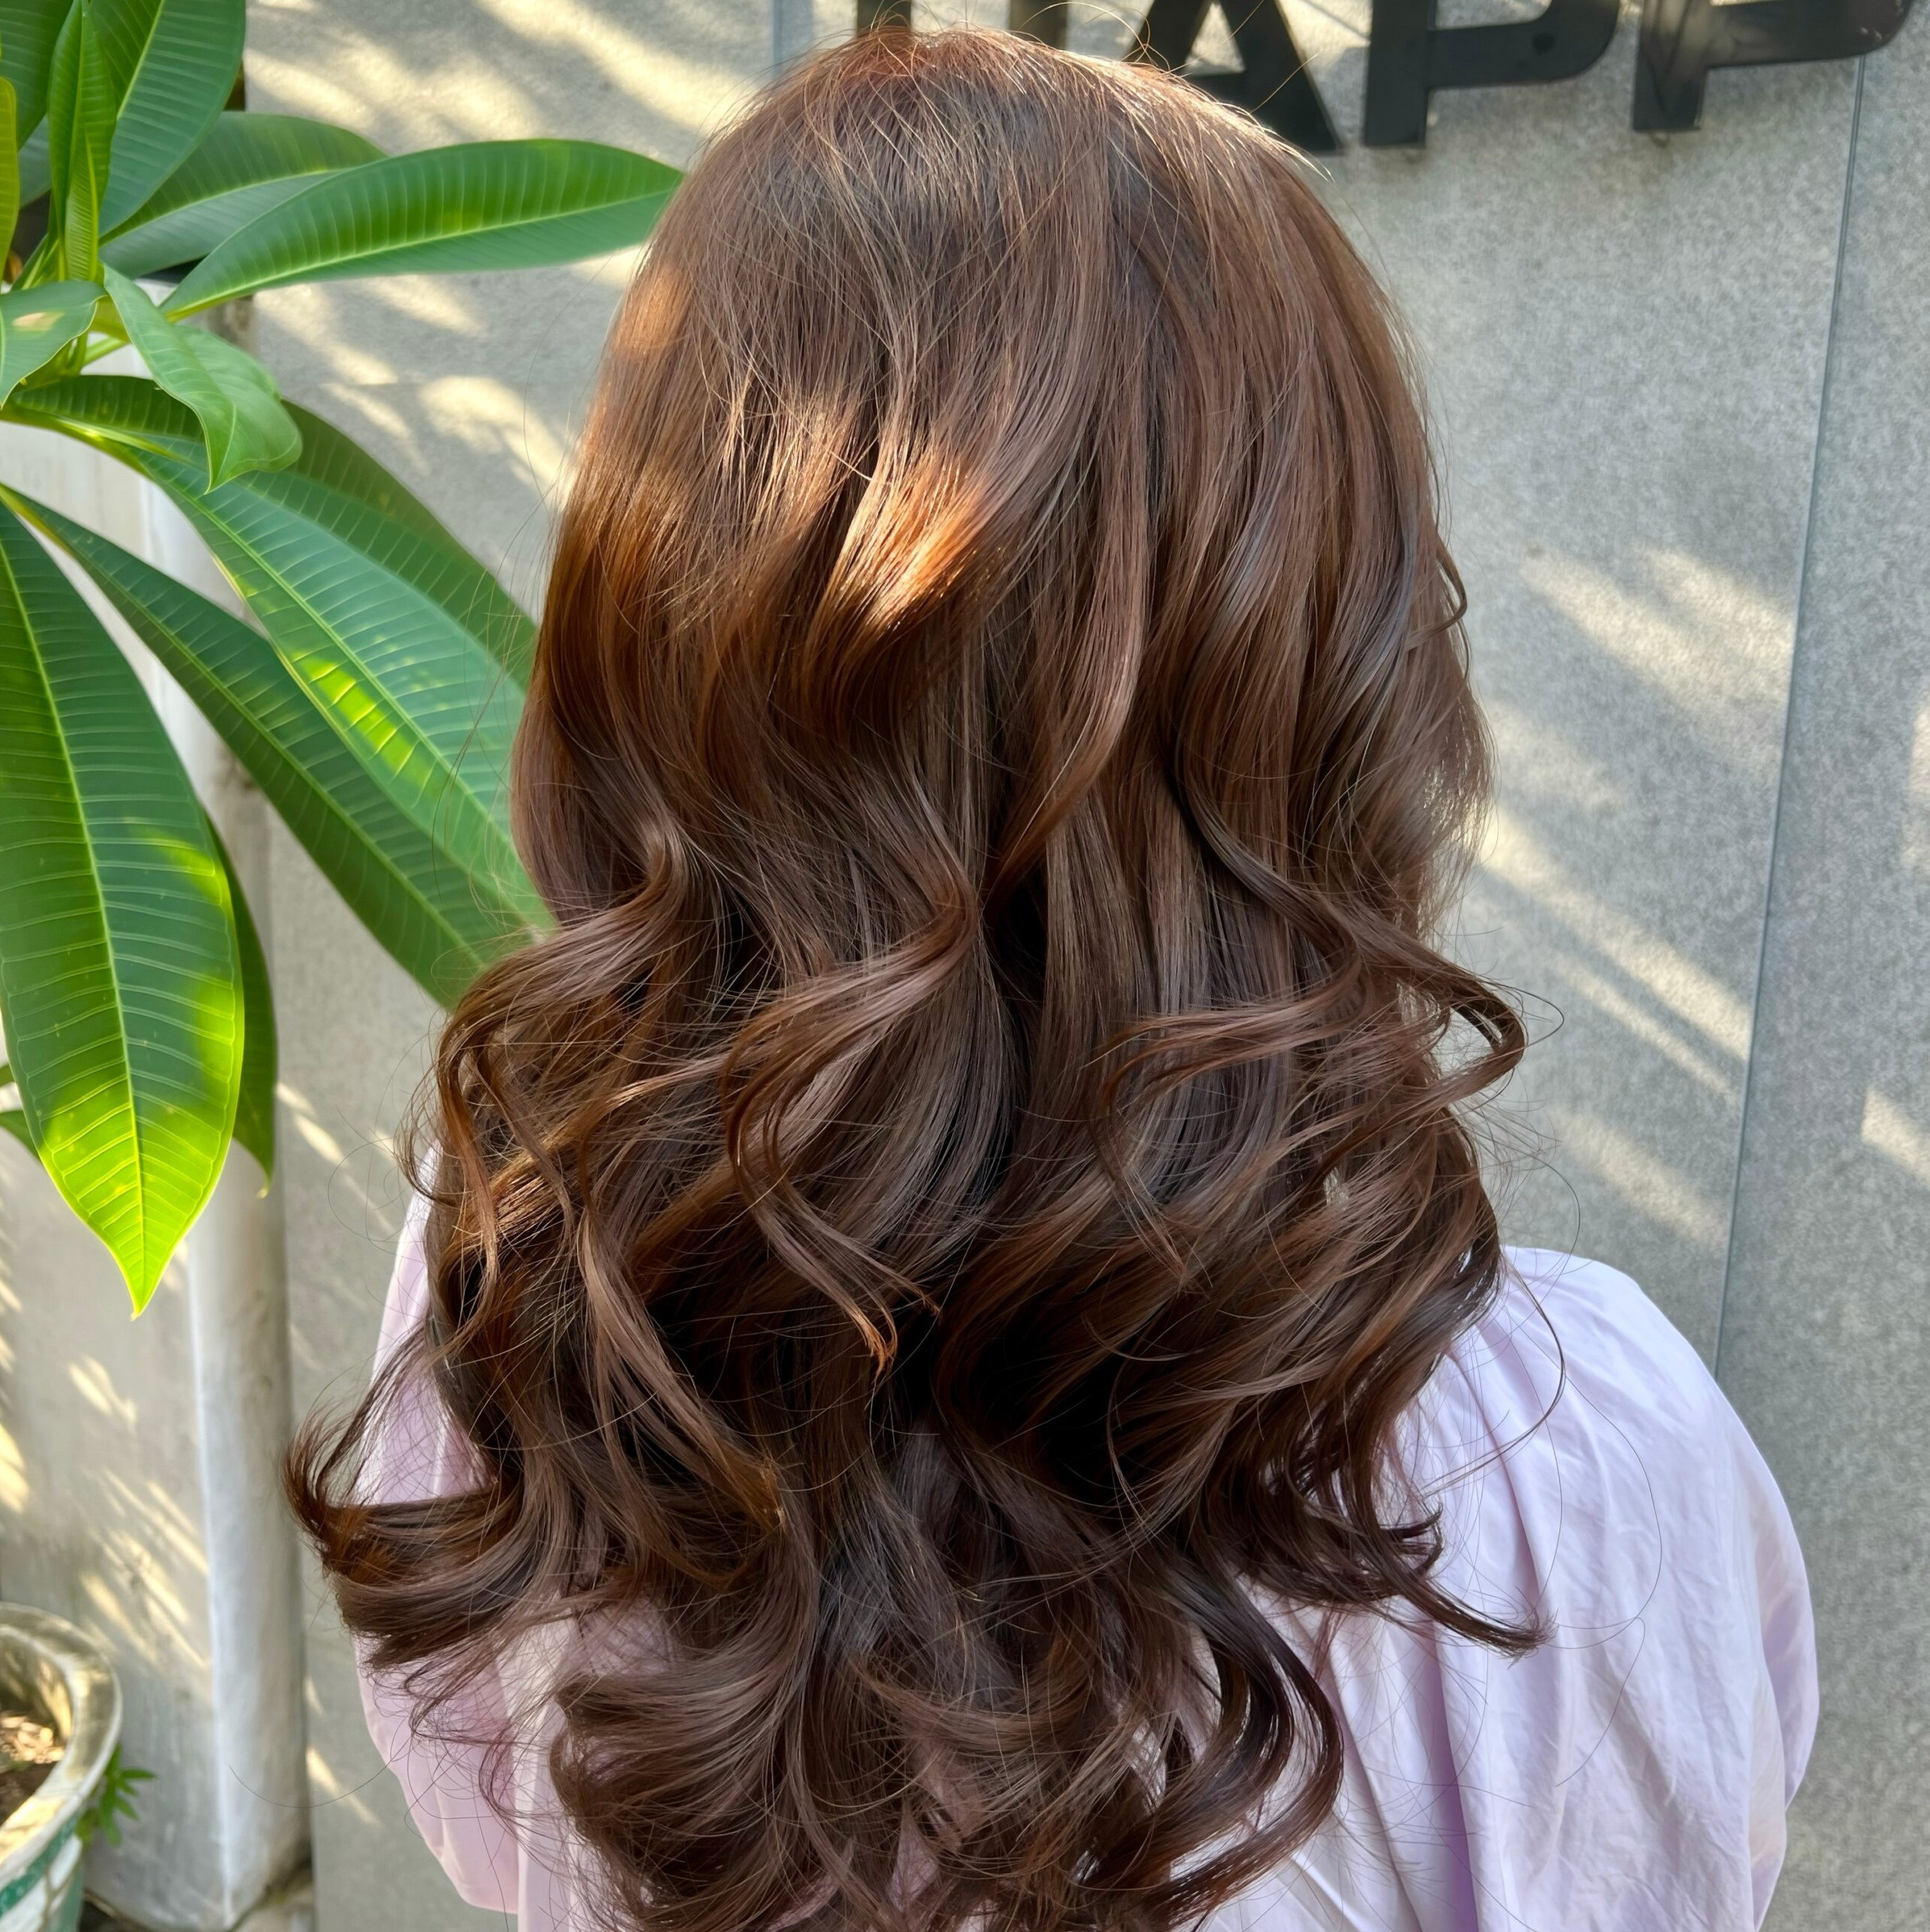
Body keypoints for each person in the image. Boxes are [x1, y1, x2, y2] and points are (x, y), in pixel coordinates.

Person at [289, 28, 1815, 1932]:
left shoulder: (544, 1255)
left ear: (653, 616)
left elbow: (487, 1791)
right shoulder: (1554, 1460)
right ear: (1329, 645)